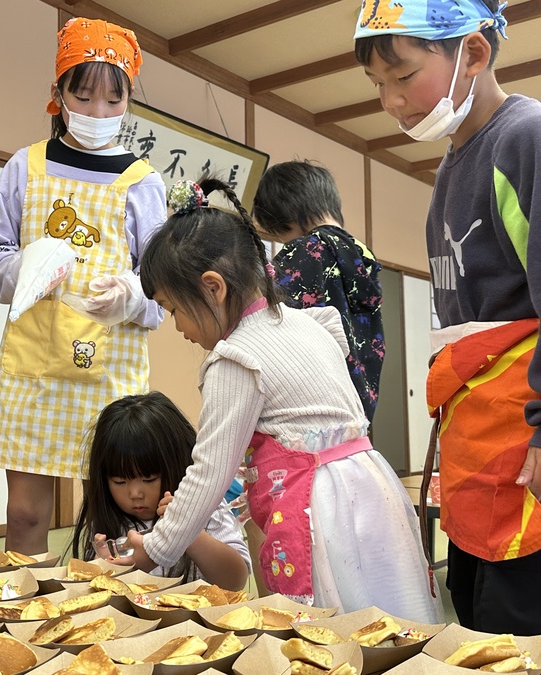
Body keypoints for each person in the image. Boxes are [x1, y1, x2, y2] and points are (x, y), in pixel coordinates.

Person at [122, 177, 442, 622]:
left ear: (213, 288)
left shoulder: (235, 359)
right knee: (389, 620)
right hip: (372, 490)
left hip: (318, 511)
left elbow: (209, 471)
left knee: (330, 633)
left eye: (174, 309)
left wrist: (155, 548)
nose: (177, 327)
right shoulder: (310, 324)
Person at [355, 0, 541, 634]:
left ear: (476, 53)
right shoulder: (447, 174)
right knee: (471, 617)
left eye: (403, 76)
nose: (390, 100)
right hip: (472, 445)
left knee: (514, 627)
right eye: (378, 85)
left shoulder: (527, 138)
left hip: (522, 441)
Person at [0, 17, 167, 554]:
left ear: (130, 99)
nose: (97, 113)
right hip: (33, 360)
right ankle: (24, 616)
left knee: (113, 517)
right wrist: (27, 270)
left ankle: (103, 623)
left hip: (110, 364)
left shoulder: (141, 180)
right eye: (82, 96)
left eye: (113, 99)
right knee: (24, 514)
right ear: (57, 93)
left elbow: (158, 283)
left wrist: (130, 296)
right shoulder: (26, 166)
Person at [70, 391, 250, 589]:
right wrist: (101, 568)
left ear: (179, 465)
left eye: (149, 479)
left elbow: (236, 581)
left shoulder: (204, 506)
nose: (135, 494)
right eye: (120, 482)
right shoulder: (111, 518)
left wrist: (185, 529)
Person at [253, 160, 384, 423]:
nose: (285, 244)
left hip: (312, 402)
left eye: (283, 235)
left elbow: (270, 321)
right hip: (356, 399)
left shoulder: (304, 251)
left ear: (289, 213)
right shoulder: (362, 253)